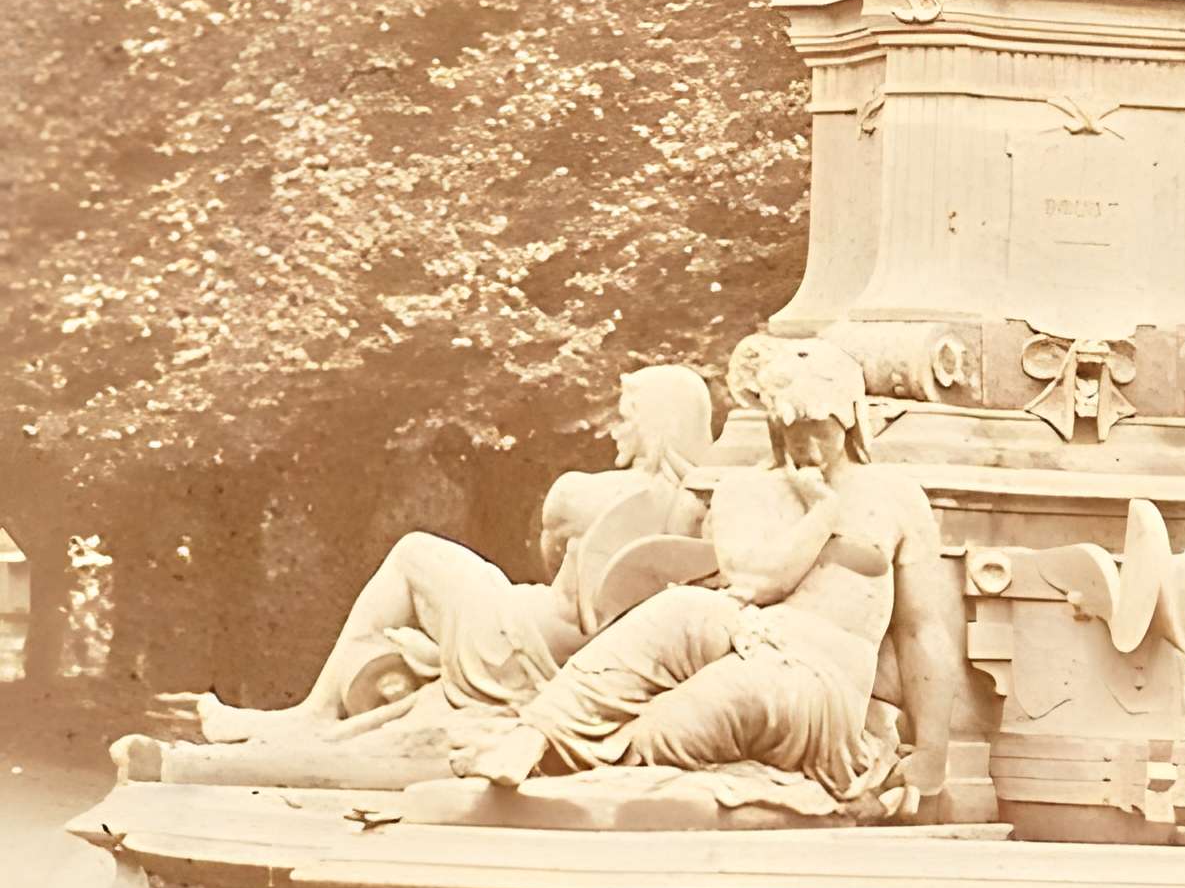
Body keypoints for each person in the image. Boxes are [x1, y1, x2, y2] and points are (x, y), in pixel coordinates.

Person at [451, 339, 964, 812]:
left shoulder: (893, 497)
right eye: (792, 427)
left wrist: (933, 752)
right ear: (772, 425)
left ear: (851, 421)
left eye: (820, 427)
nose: (807, 444)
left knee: (669, 730)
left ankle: (581, 765)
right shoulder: (745, 491)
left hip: (814, 682)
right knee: (681, 607)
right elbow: (758, 583)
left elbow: (924, 630)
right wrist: (819, 517)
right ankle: (535, 736)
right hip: (743, 632)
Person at [189, 364, 715, 754]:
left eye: (626, 419)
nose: (613, 431)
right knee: (456, 577)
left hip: (518, 638)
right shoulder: (697, 508)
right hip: (562, 649)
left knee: (413, 552)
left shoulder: (582, 492)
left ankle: (313, 713)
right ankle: (328, 707)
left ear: (656, 424)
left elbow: (549, 552)